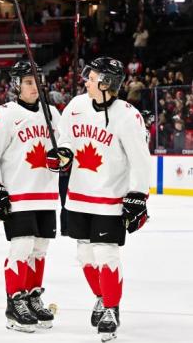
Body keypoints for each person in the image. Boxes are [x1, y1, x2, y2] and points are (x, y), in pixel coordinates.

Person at [57, 57, 150, 342]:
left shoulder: (128, 115)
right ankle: (101, 296)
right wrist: (61, 154)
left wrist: (138, 195)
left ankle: (111, 307)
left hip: (110, 198)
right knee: (84, 255)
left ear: (107, 82)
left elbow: (140, 160)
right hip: (78, 197)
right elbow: (66, 140)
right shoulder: (75, 106)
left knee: (106, 253)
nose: (86, 81)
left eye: (92, 76)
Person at [0, 61, 67, 333]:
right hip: (19, 194)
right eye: (28, 82)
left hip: (47, 193)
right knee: (22, 248)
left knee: (40, 249)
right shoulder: (3, 114)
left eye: (37, 81)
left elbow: (65, 149)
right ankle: (14, 301)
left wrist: (63, 157)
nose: (34, 86)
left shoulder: (51, 112)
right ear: (17, 85)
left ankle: (31, 295)